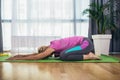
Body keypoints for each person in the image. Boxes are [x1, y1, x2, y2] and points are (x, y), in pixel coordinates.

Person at [7, 36, 100, 61]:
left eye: (45, 54)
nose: (46, 55)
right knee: (61, 55)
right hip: (85, 43)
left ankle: (89, 56)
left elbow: (37, 57)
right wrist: (20, 55)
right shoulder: (53, 45)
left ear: (45, 50)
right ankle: (87, 54)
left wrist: (17, 58)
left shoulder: (53, 46)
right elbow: (36, 55)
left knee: (63, 56)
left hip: (86, 44)